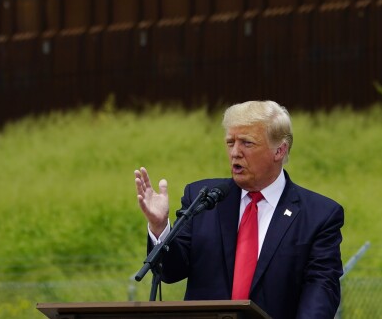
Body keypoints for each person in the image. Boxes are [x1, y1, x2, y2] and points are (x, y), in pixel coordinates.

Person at [134, 100, 343, 318]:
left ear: (280, 150)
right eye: (230, 142)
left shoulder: (319, 215)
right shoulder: (203, 200)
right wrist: (159, 227)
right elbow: (170, 271)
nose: (235, 152)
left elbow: (321, 291)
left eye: (247, 143)